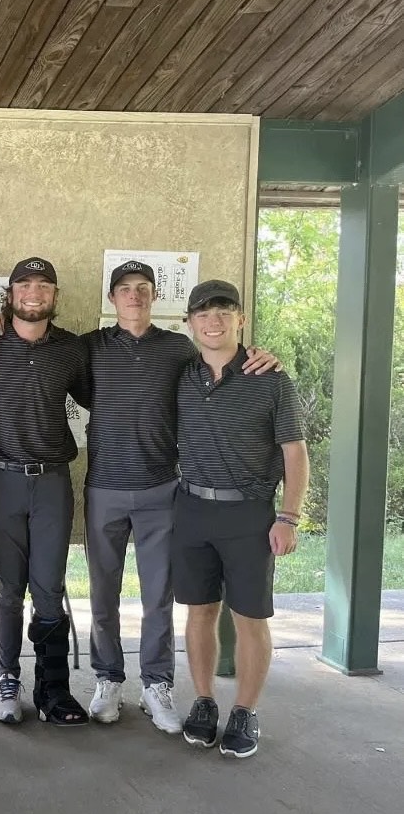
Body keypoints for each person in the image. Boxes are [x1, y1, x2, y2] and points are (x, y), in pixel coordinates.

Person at [82, 261, 280, 732]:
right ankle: (108, 678)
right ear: (112, 298)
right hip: (104, 486)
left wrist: (260, 356)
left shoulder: (178, 349)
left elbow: (221, 362)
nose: (134, 296)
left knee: (159, 595)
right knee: (102, 594)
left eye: (144, 289)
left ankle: (156, 683)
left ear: (155, 297)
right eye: (125, 289)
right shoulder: (88, 347)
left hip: (161, 488)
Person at [173, 279, 308, 758]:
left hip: (250, 513)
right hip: (190, 508)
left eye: (224, 312)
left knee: (250, 617)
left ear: (240, 320)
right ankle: (205, 701)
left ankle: (246, 711)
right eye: (203, 313)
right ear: (190, 323)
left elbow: (294, 451)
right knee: (199, 611)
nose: (213, 321)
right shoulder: (182, 374)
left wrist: (289, 517)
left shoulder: (270, 378)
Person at [0, 257, 90, 727]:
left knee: (49, 587)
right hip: (1, 479)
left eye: (44, 284)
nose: (34, 292)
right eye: (24, 283)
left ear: (55, 296)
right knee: (7, 588)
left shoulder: (72, 350)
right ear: (10, 293)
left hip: (53, 481)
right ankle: (7, 678)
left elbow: (101, 395)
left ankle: (53, 688)